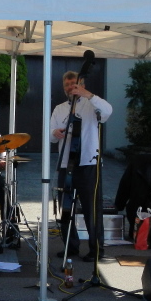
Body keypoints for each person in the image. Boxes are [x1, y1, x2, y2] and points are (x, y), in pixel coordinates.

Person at [50, 70, 113, 262]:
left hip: (88, 163)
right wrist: (55, 132)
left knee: (91, 209)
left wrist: (88, 95)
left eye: (74, 84)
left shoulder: (91, 104)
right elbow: (51, 136)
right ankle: (71, 246)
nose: (70, 87)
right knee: (66, 208)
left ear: (82, 84)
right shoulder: (59, 108)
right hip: (65, 164)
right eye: (67, 85)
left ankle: (96, 249)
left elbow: (108, 111)